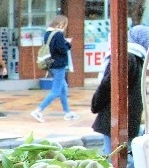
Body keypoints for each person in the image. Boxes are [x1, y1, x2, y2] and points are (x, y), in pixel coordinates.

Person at [91, 25, 149, 156]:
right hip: (127, 116)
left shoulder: (126, 57)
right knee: (123, 154)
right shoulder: (137, 58)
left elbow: (108, 84)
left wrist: (96, 104)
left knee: (115, 156)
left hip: (115, 116)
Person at [32, 15, 78, 122]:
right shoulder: (58, 34)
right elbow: (62, 49)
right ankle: (38, 110)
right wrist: (68, 44)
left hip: (51, 64)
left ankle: (67, 112)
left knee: (63, 89)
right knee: (56, 91)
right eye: (65, 24)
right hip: (59, 65)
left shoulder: (48, 33)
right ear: (61, 24)